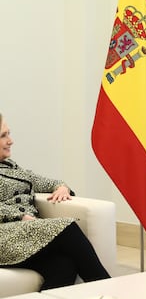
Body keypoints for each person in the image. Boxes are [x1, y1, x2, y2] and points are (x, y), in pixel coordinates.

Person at [0, 113, 111, 289]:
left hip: (21, 233)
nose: (10, 140)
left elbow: (43, 181)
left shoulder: (11, 166)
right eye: (3, 136)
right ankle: (109, 289)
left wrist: (61, 187)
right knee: (67, 228)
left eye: (8, 134)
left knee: (63, 265)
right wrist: (19, 217)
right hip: (5, 234)